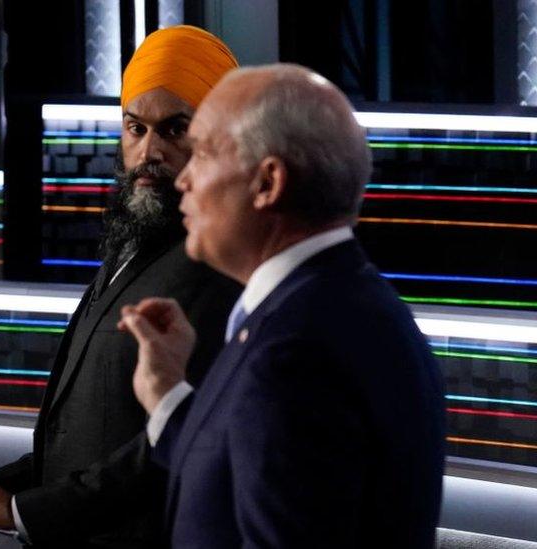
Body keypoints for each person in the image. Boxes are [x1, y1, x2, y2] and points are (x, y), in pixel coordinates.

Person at [0, 26, 242, 547]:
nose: (149, 151)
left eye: (174, 130)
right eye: (135, 128)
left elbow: (176, 444)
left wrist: (19, 510)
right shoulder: (132, 246)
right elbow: (83, 440)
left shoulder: (221, 269)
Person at [119, 64, 445, 547]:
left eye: (204, 153)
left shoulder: (296, 353)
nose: (184, 179)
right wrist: (166, 392)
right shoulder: (335, 303)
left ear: (268, 182)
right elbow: (242, 472)